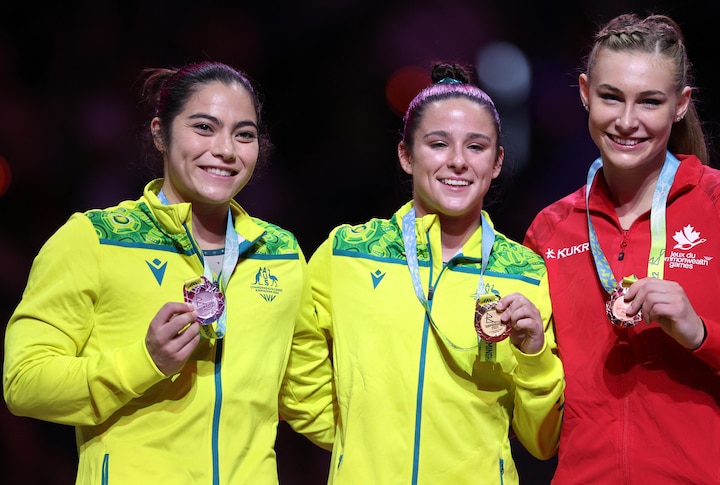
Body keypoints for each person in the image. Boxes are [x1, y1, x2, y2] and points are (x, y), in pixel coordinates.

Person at [524, 13, 720, 484]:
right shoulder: (551, 230)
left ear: (681, 105)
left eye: (650, 102)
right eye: (611, 97)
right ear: (585, 92)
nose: (627, 121)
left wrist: (702, 334)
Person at [3, 61, 334, 484]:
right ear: (160, 132)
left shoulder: (280, 253)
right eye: (204, 127)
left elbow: (305, 395)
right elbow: (24, 383)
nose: (226, 150)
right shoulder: (94, 239)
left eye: (244, 134)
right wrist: (144, 362)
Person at [308, 63, 564, 484]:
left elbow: (542, 441)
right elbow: (300, 354)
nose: (458, 161)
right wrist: (349, 437)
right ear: (406, 155)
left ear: (497, 162)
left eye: (477, 147)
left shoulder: (526, 273)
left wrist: (535, 354)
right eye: (438, 143)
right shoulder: (348, 252)